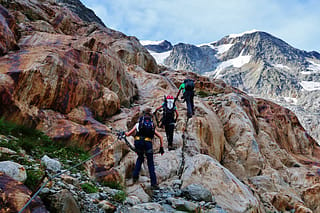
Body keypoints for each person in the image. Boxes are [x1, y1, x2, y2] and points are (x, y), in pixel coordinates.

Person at [125, 108, 164, 189]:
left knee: (140, 157)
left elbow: (128, 134)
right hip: (148, 143)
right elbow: (160, 136)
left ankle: (135, 176)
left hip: (138, 142)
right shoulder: (152, 125)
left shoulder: (138, 124)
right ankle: (154, 183)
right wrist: (161, 147)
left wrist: (123, 133)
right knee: (150, 162)